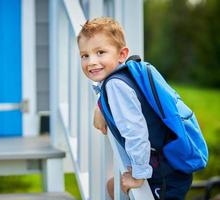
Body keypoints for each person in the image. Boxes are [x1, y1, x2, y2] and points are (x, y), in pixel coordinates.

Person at [77, 17, 193, 200]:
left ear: (122, 54)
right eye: (85, 55)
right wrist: (100, 106)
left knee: (116, 188)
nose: (91, 61)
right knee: (111, 187)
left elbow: (135, 132)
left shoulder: (115, 86)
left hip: (163, 174)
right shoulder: (124, 77)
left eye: (100, 52)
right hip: (165, 166)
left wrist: (139, 175)